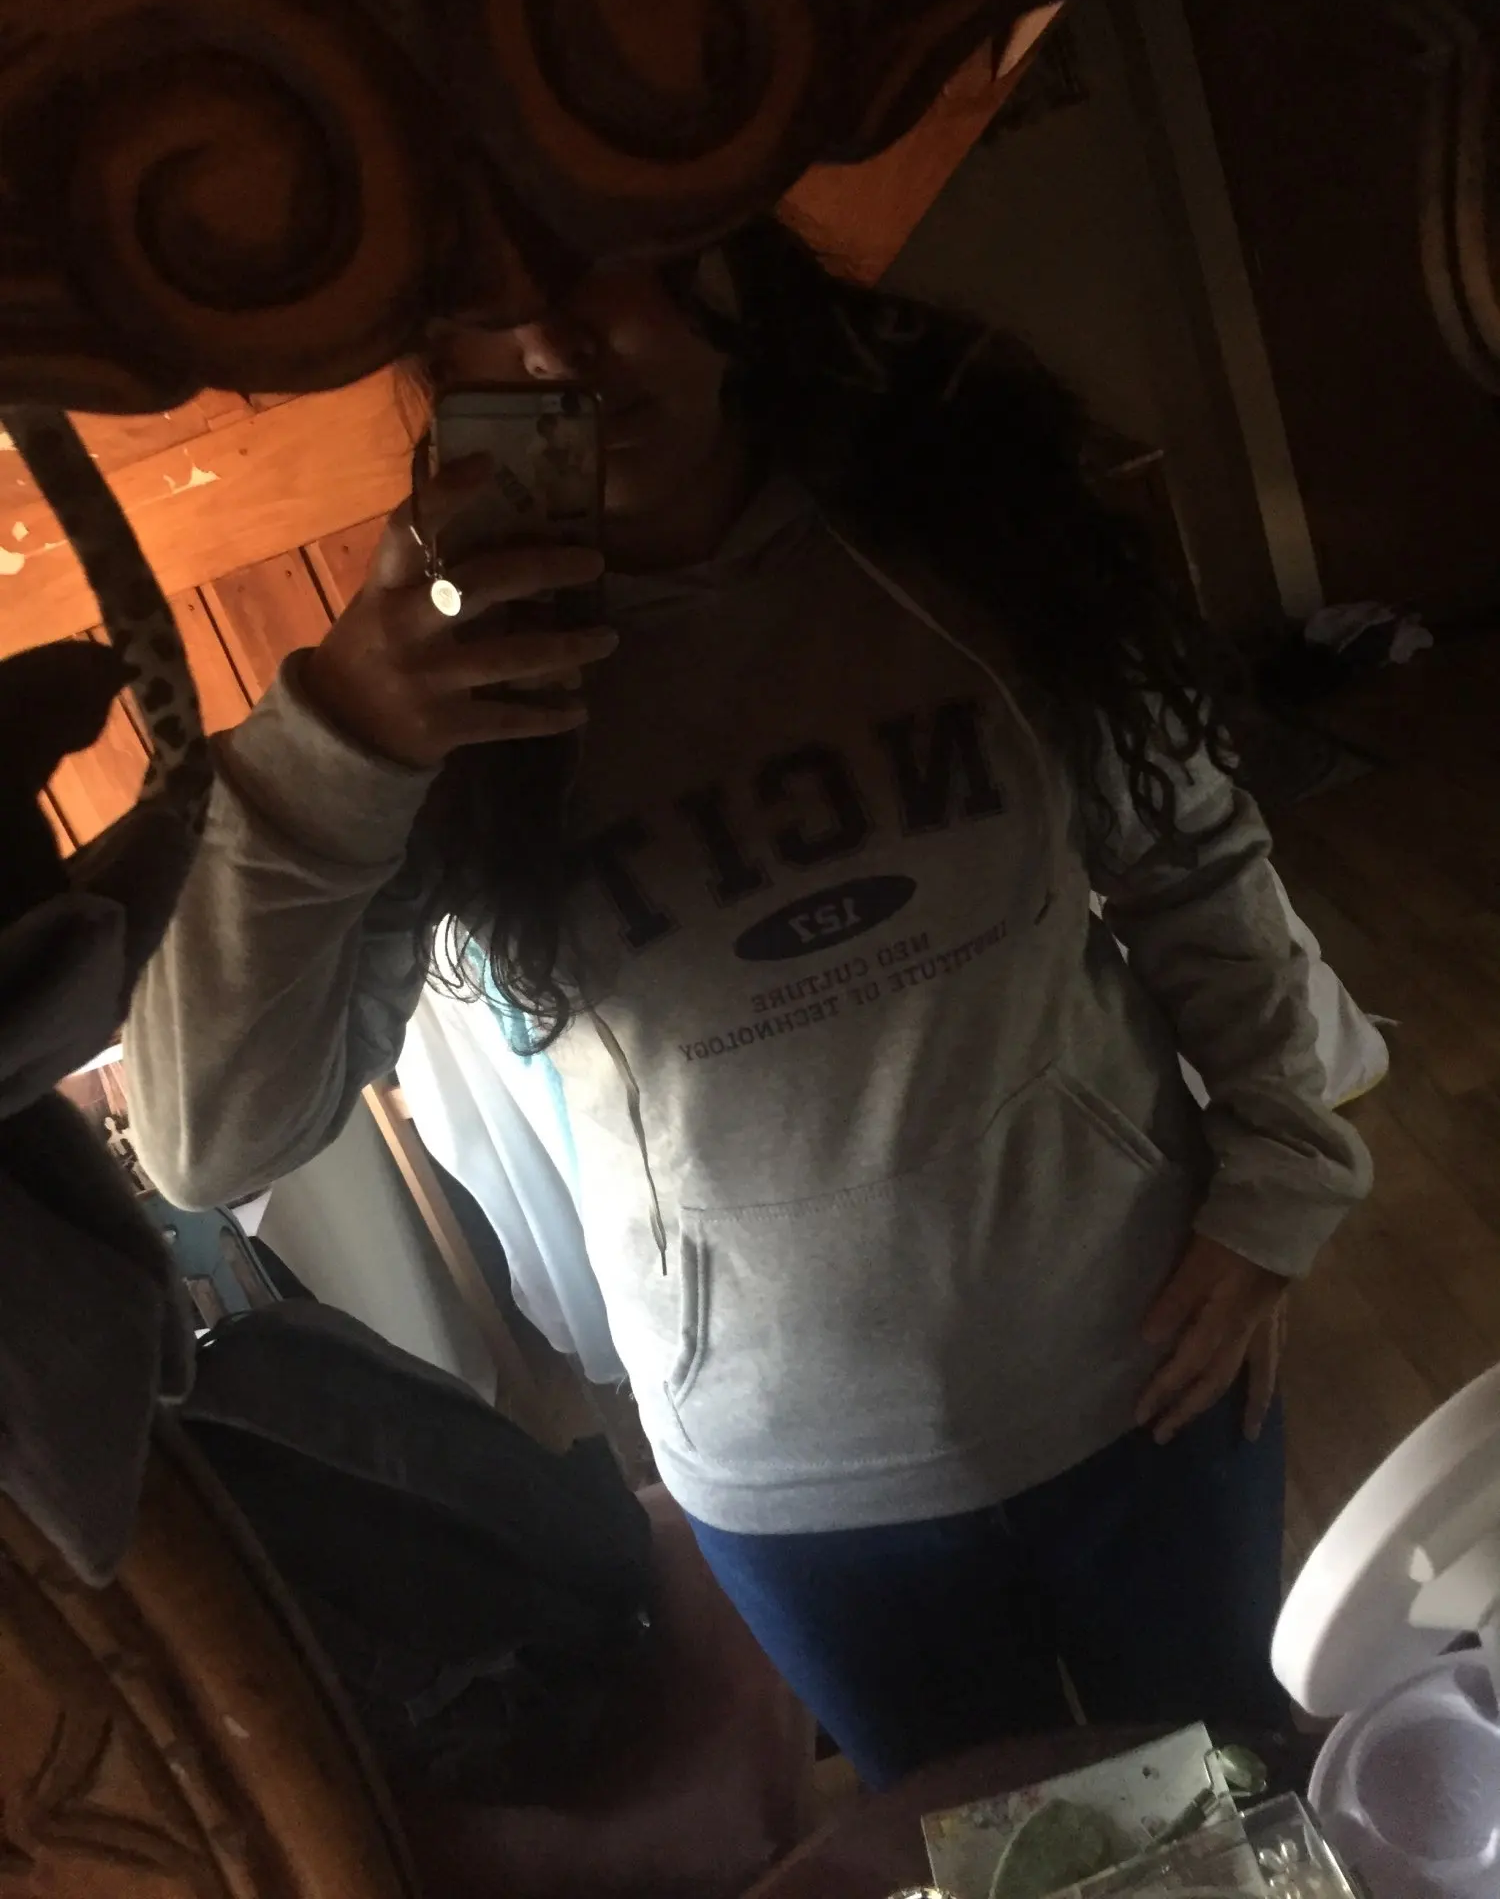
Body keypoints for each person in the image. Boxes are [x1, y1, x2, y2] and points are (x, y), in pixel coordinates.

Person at [127, 220, 1371, 1787]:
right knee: (990, 1857)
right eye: (477, 319)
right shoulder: (450, 681)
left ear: (724, 260)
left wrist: (1279, 1177)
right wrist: (337, 744)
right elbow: (204, 1145)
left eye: (591, 262)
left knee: (1237, 1802)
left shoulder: (967, 542)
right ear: (431, 368)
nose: (554, 349)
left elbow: (1192, 861)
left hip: (1149, 1381)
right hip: (801, 1481)